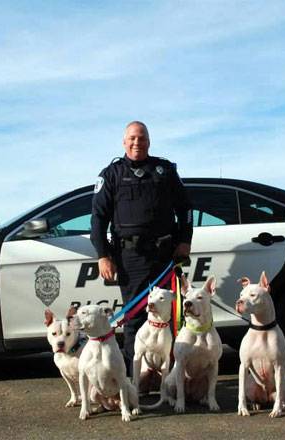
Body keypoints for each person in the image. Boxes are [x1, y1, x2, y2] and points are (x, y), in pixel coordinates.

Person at [90, 121, 193, 374]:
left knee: (169, 317)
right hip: (129, 257)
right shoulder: (111, 174)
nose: (138, 142)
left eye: (142, 138)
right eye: (133, 138)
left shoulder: (165, 170)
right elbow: (98, 219)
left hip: (164, 255)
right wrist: (103, 255)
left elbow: (185, 208)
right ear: (124, 142)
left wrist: (184, 241)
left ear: (149, 141)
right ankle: (133, 380)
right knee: (135, 317)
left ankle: (170, 378)